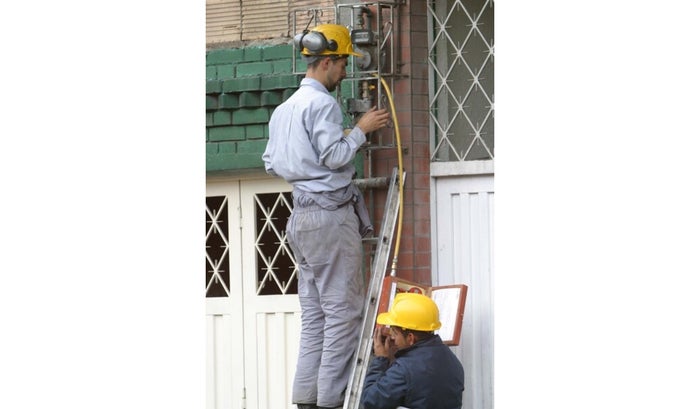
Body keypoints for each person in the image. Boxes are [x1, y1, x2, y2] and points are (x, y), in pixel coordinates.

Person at [262, 23, 391, 409]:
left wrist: (308, 165)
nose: (345, 72)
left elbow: (271, 163)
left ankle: (306, 400)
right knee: (344, 313)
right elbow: (335, 156)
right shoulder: (321, 104)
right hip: (328, 216)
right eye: (343, 64)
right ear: (326, 62)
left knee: (316, 316)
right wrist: (360, 130)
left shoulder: (284, 108)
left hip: (300, 218)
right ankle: (332, 401)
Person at [361, 292, 465, 409]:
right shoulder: (453, 361)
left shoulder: (404, 369)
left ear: (410, 338)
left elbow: (370, 401)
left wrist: (380, 360)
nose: (392, 337)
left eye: (394, 332)